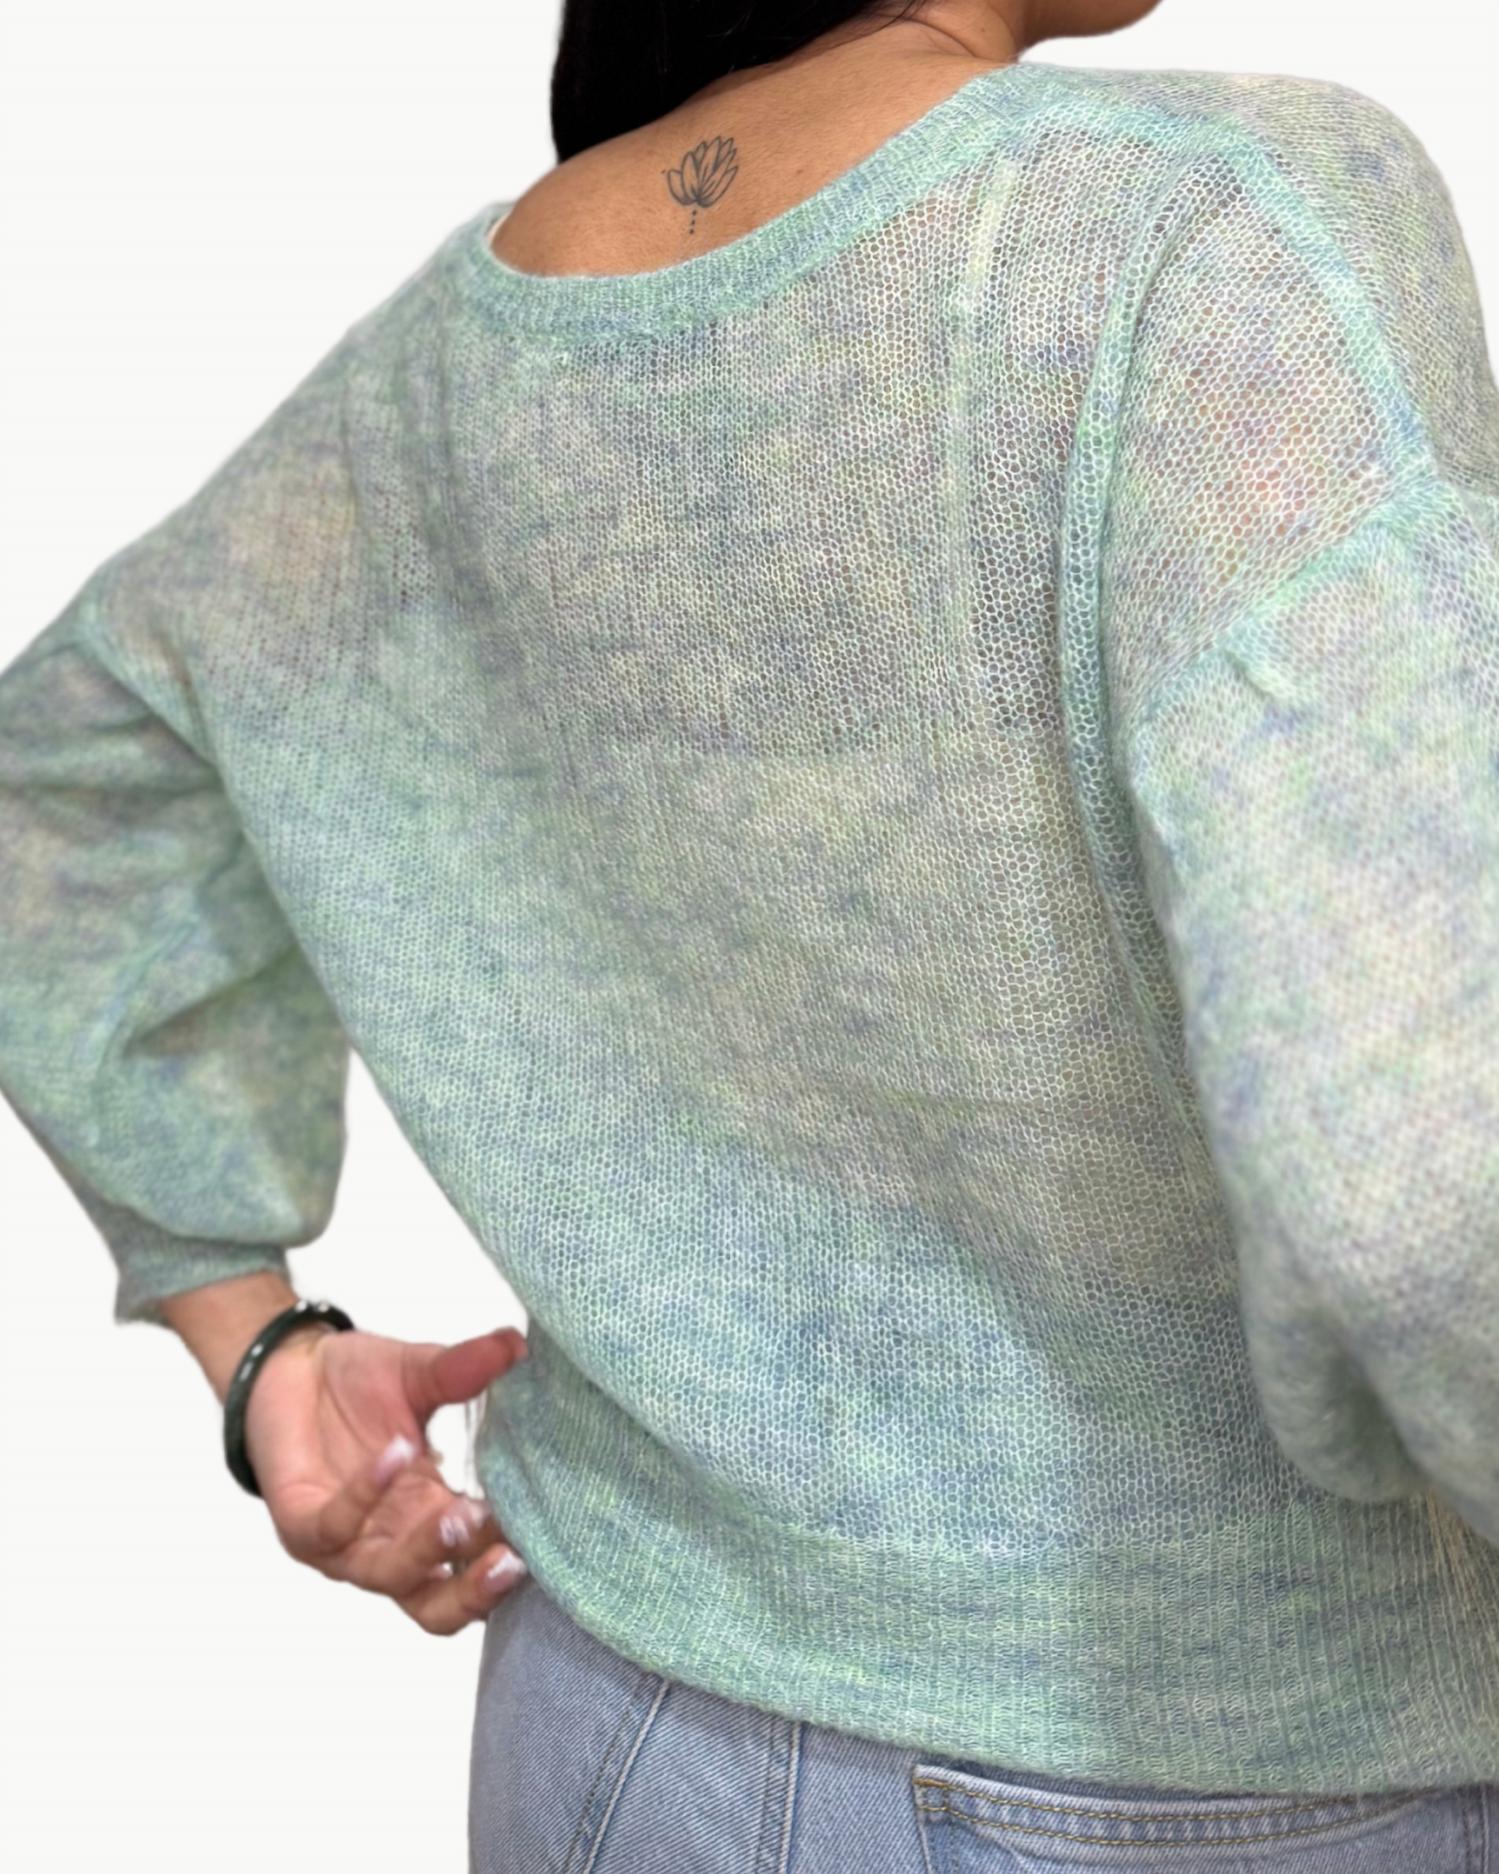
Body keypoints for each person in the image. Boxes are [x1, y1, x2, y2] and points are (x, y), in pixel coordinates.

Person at [2, 0, 1497, 1866]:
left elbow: (61, 779)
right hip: (1215, 1772)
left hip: (604, 1728)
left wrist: (260, 1351)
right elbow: (1430, 1198)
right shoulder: (1217, 235)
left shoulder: (442, 370)